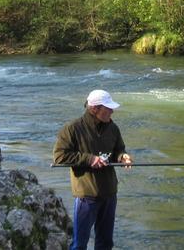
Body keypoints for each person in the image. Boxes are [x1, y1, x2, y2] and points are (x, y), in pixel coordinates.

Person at [54, 89, 132, 250]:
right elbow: (60, 157)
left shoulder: (113, 128)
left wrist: (123, 157)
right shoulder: (72, 129)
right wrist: (89, 159)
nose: (112, 111)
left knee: (105, 243)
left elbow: (118, 150)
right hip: (86, 196)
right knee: (79, 244)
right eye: (108, 108)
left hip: (110, 193)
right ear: (94, 108)